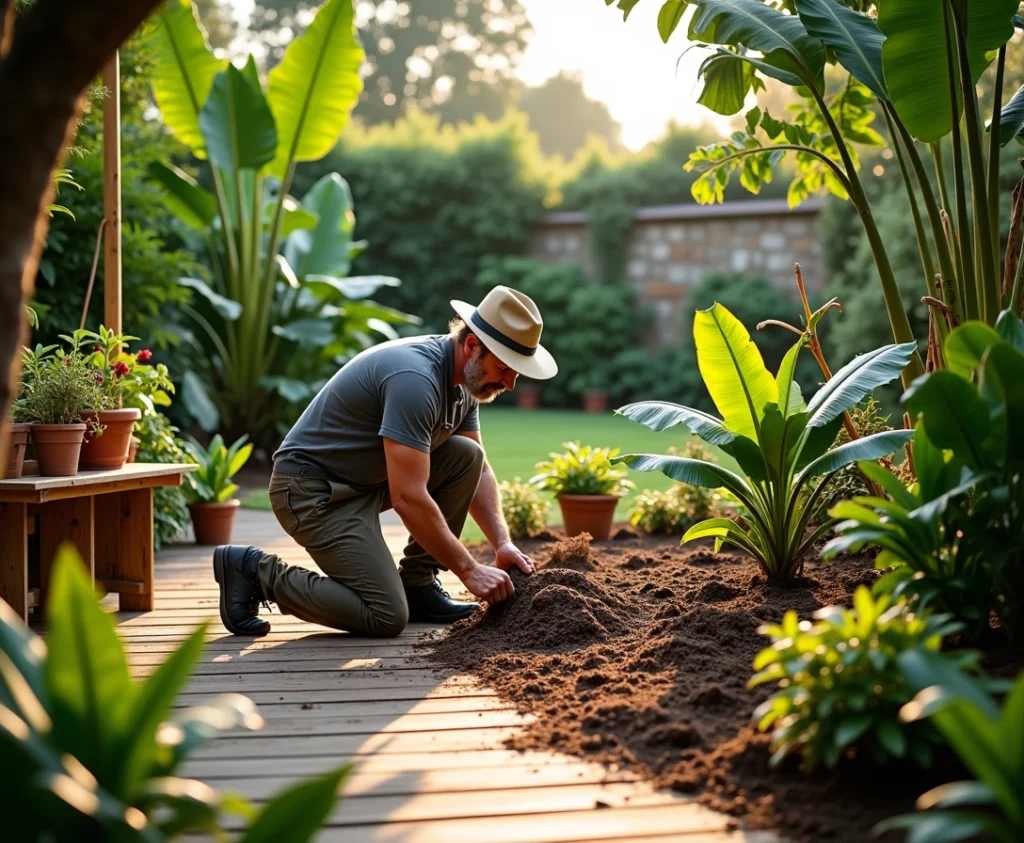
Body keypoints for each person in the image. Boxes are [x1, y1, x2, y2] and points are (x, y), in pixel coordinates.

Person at [213, 286, 558, 638]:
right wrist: (469, 570)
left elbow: (478, 468)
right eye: (504, 367)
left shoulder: (465, 382)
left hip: (362, 485)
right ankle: (254, 571)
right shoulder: (415, 380)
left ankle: (419, 586)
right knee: (386, 615)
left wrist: (503, 543)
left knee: (466, 456)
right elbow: (407, 497)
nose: (511, 383)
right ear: (471, 346)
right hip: (310, 491)